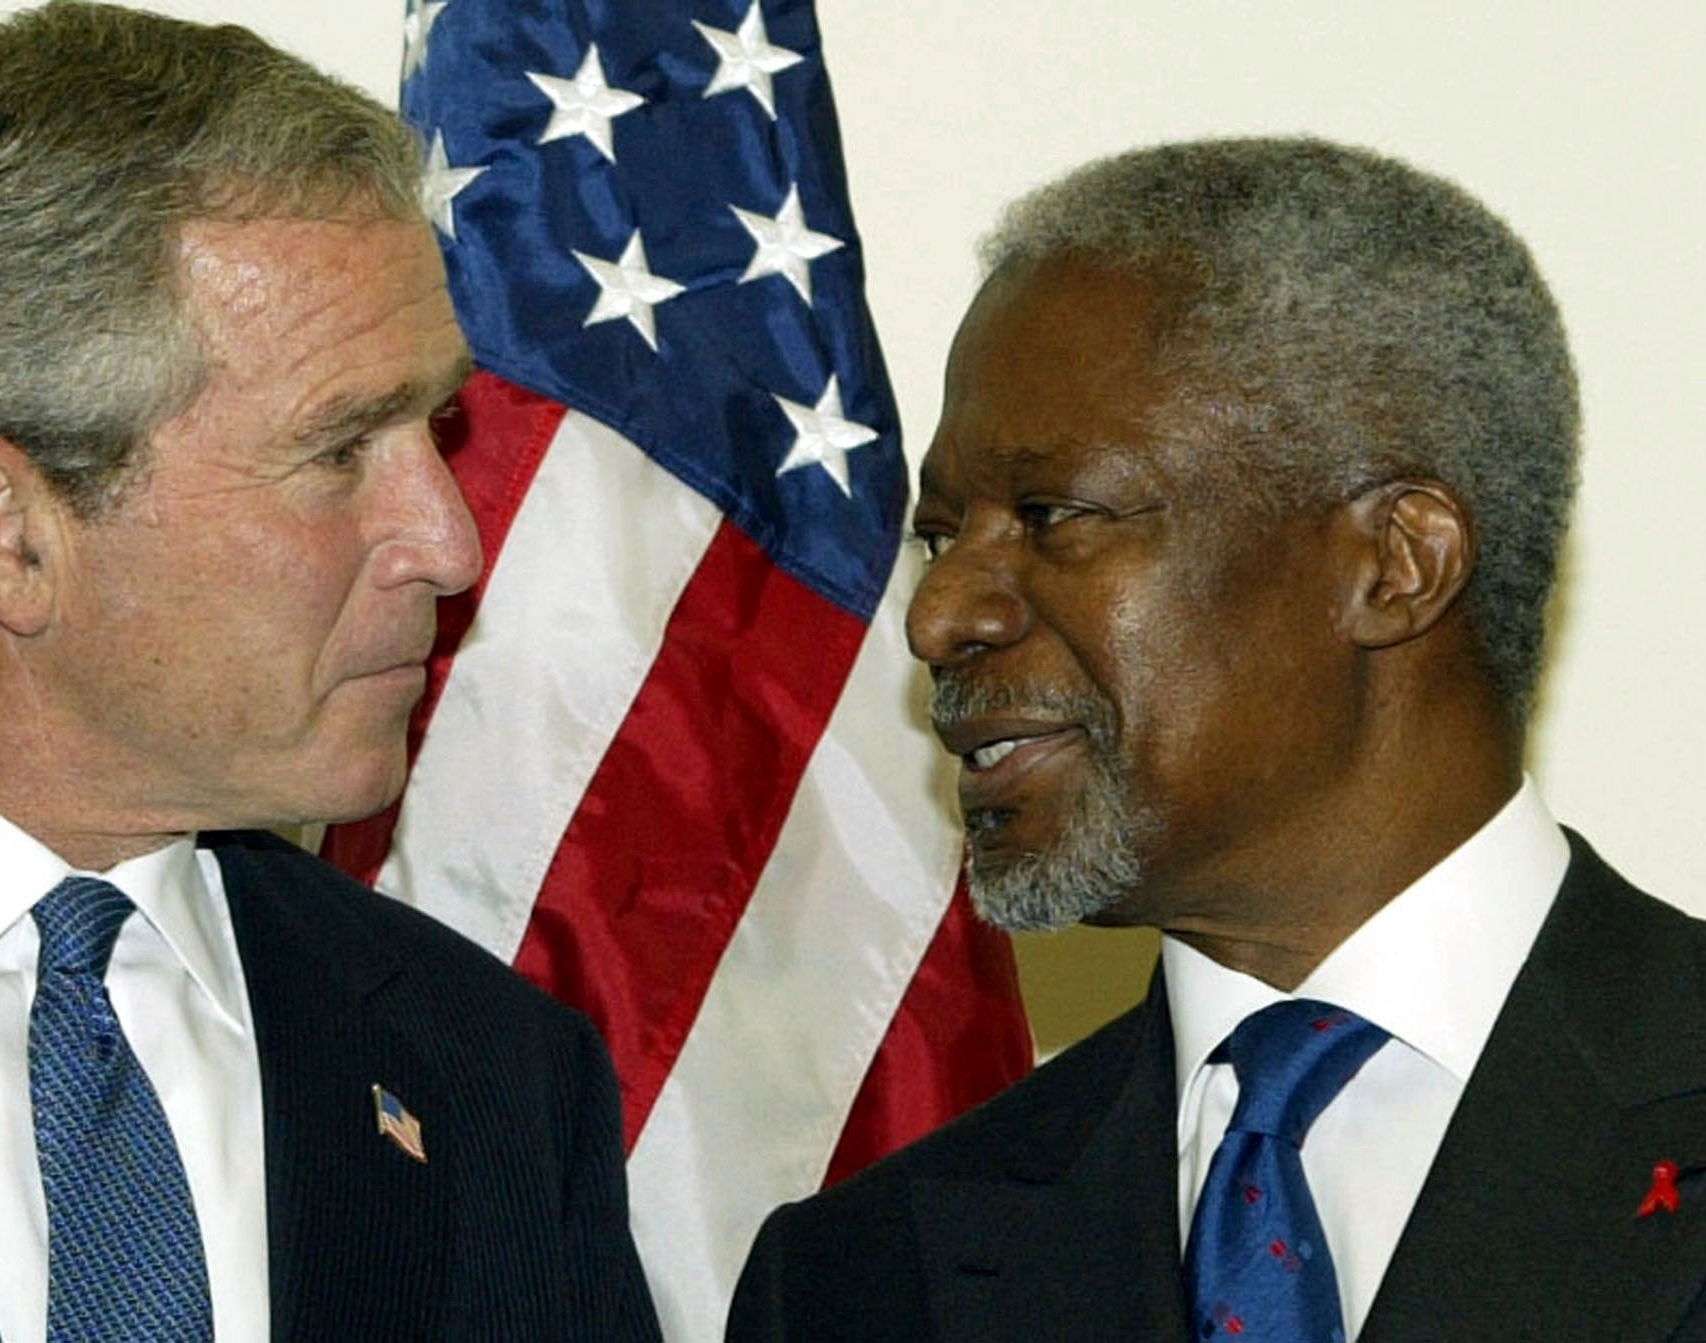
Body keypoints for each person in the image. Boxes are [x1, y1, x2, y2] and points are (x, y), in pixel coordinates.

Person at [0, 4, 658, 1338]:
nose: (448, 542)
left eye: (432, 428)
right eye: (338, 453)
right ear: (6, 528)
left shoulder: (491, 1073)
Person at [727, 136, 1706, 1341]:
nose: (940, 617)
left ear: (1395, 564)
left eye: (1050, 515)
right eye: (944, 536)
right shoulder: (856, 1279)